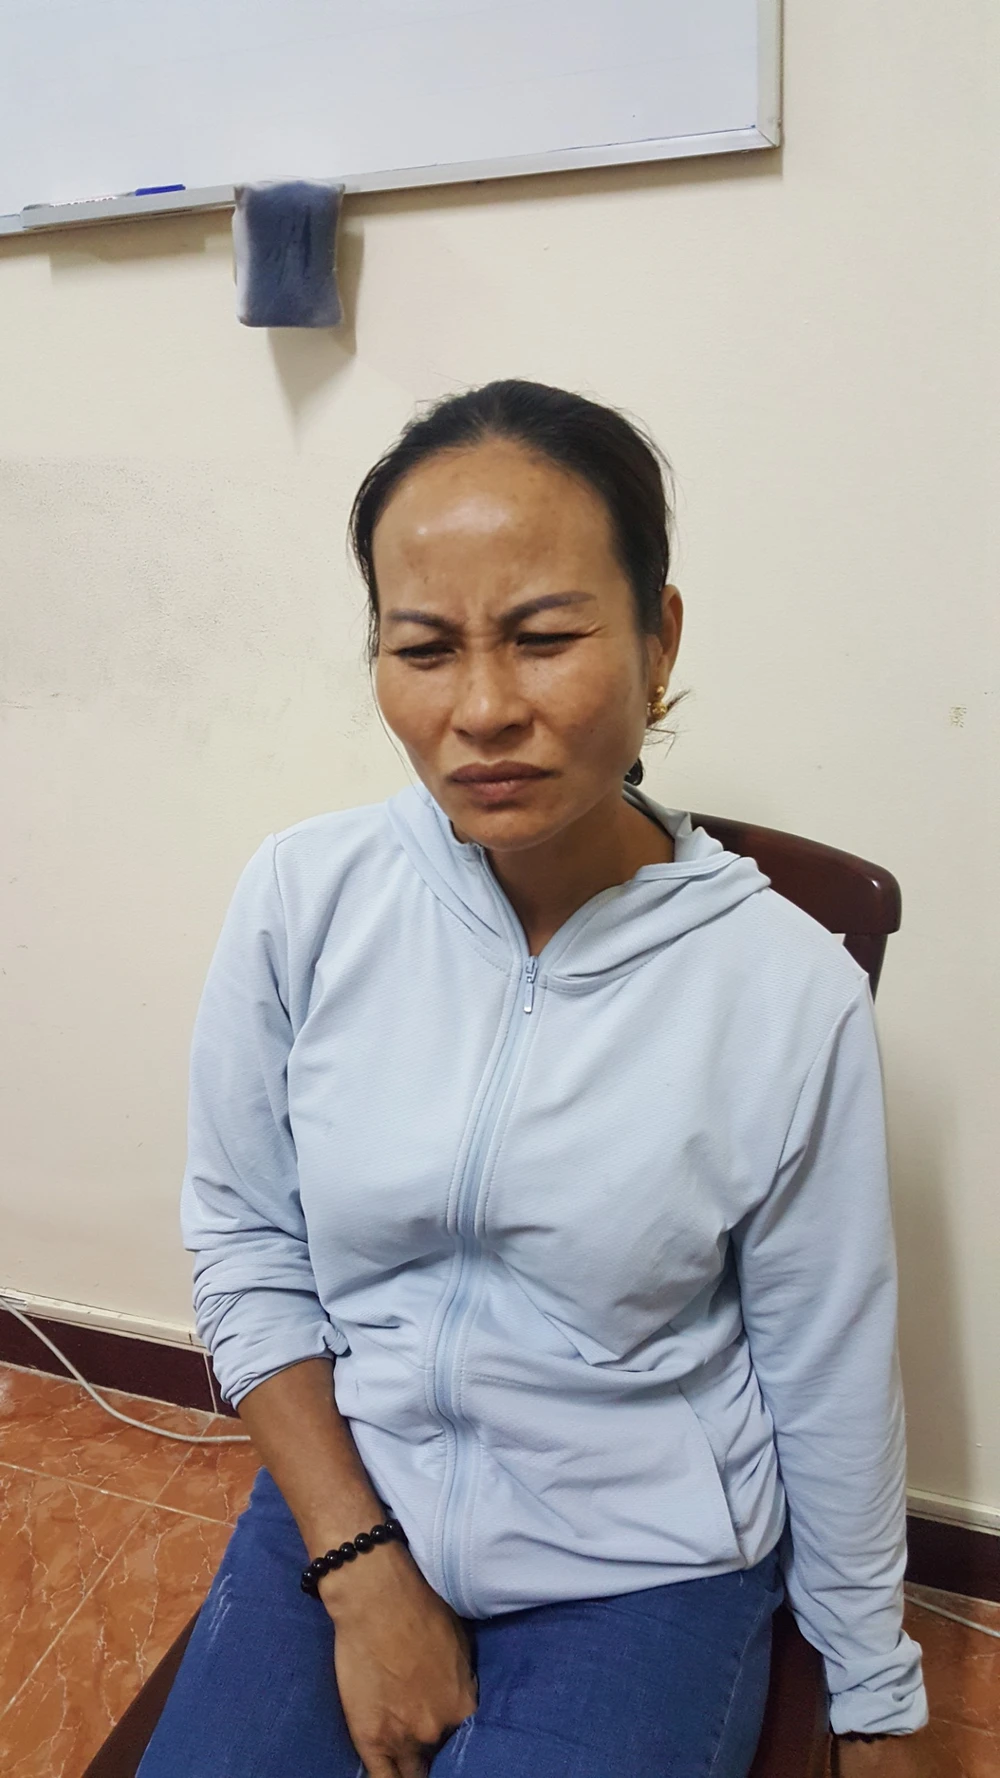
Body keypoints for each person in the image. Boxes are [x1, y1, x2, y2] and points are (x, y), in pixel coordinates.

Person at [140, 381, 927, 1778]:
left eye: (545, 637)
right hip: (354, 1488)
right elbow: (248, 1238)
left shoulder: (784, 991)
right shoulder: (305, 901)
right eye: (424, 648)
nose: (484, 708)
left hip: (644, 1564)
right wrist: (358, 1563)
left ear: (658, 637)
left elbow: (829, 1364)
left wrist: (872, 1696)